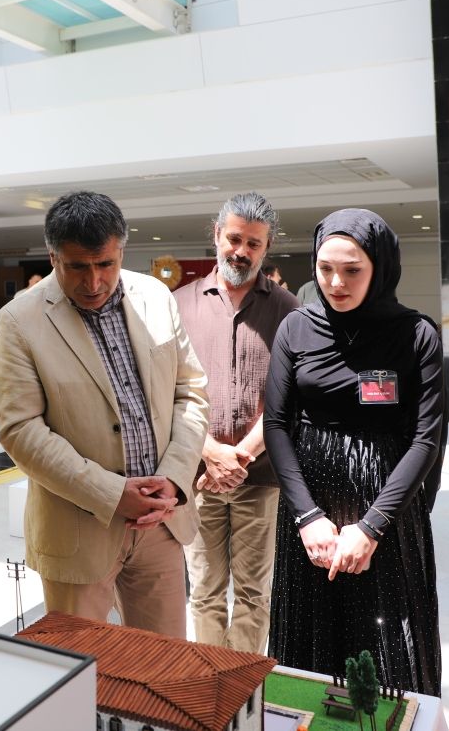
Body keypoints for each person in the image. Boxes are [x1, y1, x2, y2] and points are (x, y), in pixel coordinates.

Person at [0, 191, 208, 637]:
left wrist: (173, 478)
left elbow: (190, 392)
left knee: (164, 665)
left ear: (121, 251)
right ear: (53, 256)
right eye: (77, 267)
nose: (93, 282)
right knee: (81, 665)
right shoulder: (19, 320)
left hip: (161, 522)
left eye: (105, 264)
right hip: (77, 530)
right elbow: (20, 430)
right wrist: (110, 494)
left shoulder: (155, 296)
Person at [264, 209, 443, 694]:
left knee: (388, 644)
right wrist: (308, 518)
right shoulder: (295, 328)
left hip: (387, 510)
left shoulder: (416, 335)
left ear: (379, 268)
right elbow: (277, 425)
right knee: (310, 635)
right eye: (325, 269)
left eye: (352, 270)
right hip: (310, 511)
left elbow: (425, 438)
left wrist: (370, 528)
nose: (336, 282)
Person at [174, 193, 298, 654]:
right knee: (204, 592)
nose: (241, 251)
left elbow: (290, 399)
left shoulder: (289, 311)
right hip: (198, 476)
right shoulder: (180, 304)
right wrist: (210, 452)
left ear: (267, 247)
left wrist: (238, 457)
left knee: (253, 594)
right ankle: (211, 682)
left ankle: (241, 685)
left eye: (253, 243)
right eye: (234, 239)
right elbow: (165, 393)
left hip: (259, 477)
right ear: (216, 235)